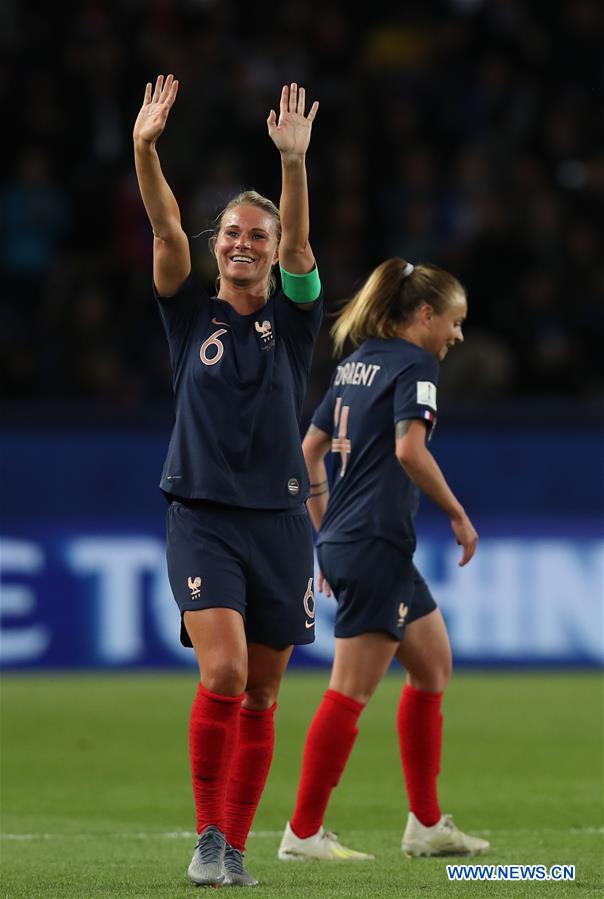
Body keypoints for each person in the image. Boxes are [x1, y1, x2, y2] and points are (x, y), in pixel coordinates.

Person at [133, 75, 322, 887]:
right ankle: (207, 837)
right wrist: (145, 148)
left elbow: (306, 250)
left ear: (274, 250)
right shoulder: (188, 314)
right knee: (225, 674)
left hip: (280, 524)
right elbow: (164, 224)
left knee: (264, 694)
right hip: (203, 515)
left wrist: (293, 165)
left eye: (258, 235)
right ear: (217, 246)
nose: (243, 242)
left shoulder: (296, 320)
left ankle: (234, 848)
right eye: (233, 233)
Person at [277, 257, 490, 861]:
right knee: (349, 690)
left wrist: (328, 534)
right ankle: (303, 833)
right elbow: (409, 450)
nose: (457, 335)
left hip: (358, 541)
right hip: (375, 541)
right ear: (424, 315)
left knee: (433, 667)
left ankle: (426, 824)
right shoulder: (416, 364)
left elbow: (309, 451)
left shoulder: (356, 362)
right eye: (453, 321)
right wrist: (457, 512)